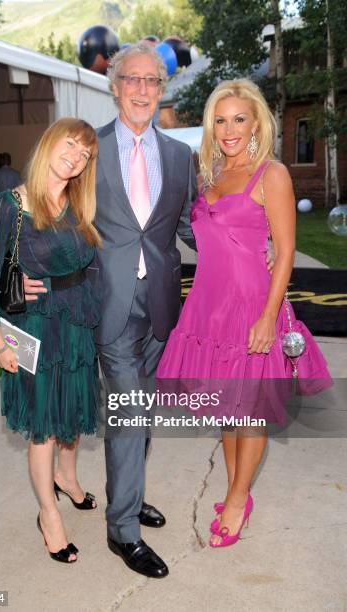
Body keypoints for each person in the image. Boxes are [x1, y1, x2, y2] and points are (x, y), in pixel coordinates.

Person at [24, 43, 197, 578]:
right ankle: (124, 531)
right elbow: (47, 202)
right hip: (108, 303)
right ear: (115, 85)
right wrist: (26, 266)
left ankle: (128, 491)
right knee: (129, 411)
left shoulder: (178, 156)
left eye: (153, 81)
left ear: (162, 90)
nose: (143, 89)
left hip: (162, 305)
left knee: (140, 414)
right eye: (133, 80)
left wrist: (243, 256)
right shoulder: (87, 150)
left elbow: (189, 227)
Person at [157, 79, 332, 548]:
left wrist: (268, 315)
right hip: (208, 304)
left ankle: (237, 498)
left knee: (250, 408)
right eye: (220, 119)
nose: (229, 128)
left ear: (256, 122)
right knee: (225, 405)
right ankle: (236, 489)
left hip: (253, 304)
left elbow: (288, 248)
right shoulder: (211, 172)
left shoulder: (271, 173)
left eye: (239, 118)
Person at [0, 118, 101, 564]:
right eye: (71, 145)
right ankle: (49, 514)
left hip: (75, 325)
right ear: (50, 143)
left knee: (71, 411)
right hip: (33, 329)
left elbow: (87, 265)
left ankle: (68, 479)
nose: (76, 157)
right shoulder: (12, 204)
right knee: (46, 424)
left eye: (86, 154)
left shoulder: (78, 204)